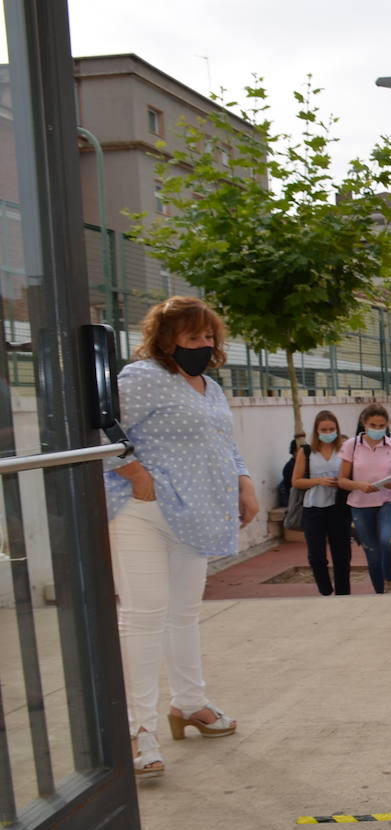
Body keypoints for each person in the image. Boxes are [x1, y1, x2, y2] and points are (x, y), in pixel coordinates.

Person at [104, 296, 257, 777]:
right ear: (166, 340)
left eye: (208, 337)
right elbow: (101, 430)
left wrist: (245, 482)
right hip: (142, 513)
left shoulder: (208, 387)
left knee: (184, 614)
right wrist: (135, 474)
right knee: (144, 615)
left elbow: (224, 443)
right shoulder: (141, 377)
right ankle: (136, 730)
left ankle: (189, 704)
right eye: (193, 337)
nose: (203, 344)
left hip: (195, 516)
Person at [339, 404, 391, 594]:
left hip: (387, 500)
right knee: (372, 553)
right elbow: (342, 480)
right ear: (364, 424)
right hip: (360, 504)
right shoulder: (351, 446)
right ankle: (380, 592)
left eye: (381, 426)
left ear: (387, 425)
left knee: (389, 540)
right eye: (373, 425)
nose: (377, 429)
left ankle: (390, 579)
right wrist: (359, 485)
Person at [291, 410, 352, 596]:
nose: (328, 432)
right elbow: (296, 481)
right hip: (313, 508)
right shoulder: (307, 451)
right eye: (323, 429)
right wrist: (319, 481)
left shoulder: (344, 449)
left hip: (338, 507)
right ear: (316, 431)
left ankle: (343, 594)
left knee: (342, 555)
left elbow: (351, 475)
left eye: (331, 429)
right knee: (316, 557)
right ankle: (325, 591)